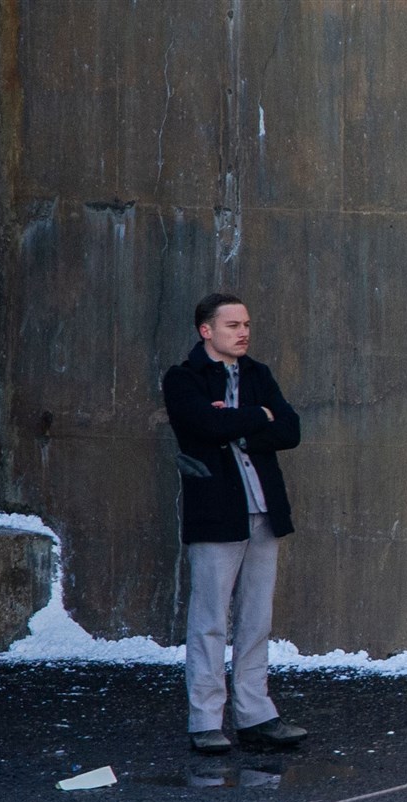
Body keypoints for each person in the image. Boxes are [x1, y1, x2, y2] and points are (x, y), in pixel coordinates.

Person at [162, 293, 306, 754]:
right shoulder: (184, 378)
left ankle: (255, 715)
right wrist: (256, 417)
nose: (243, 332)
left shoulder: (258, 374)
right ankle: (205, 721)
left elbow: (290, 430)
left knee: (255, 619)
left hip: (263, 511)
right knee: (209, 622)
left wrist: (239, 421)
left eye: (246, 324)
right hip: (216, 512)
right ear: (207, 331)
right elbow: (202, 425)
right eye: (232, 326)